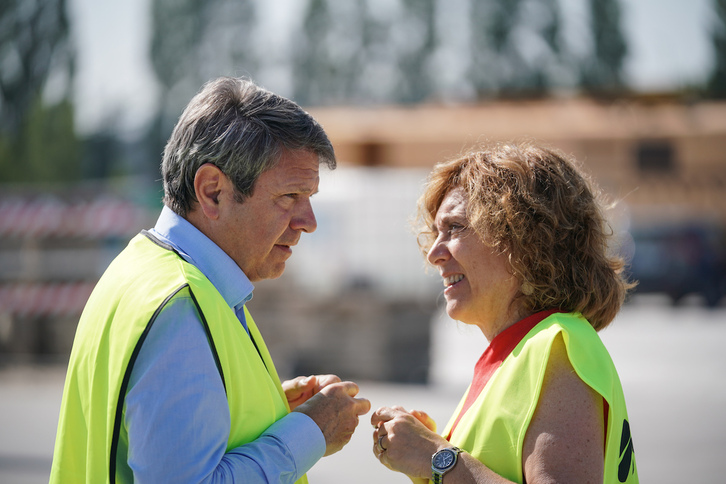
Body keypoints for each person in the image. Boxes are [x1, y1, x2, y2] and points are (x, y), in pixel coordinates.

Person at [50, 77, 371, 483]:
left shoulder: (139, 270)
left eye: (310, 198)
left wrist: (271, 413)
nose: (309, 222)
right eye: (289, 196)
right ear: (212, 191)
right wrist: (310, 433)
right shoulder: (181, 308)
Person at [371, 141, 639, 484]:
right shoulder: (519, 353)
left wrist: (434, 457)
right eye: (437, 232)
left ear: (521, 238)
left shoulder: (557, 347)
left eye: (455, 228)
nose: (434, 253)